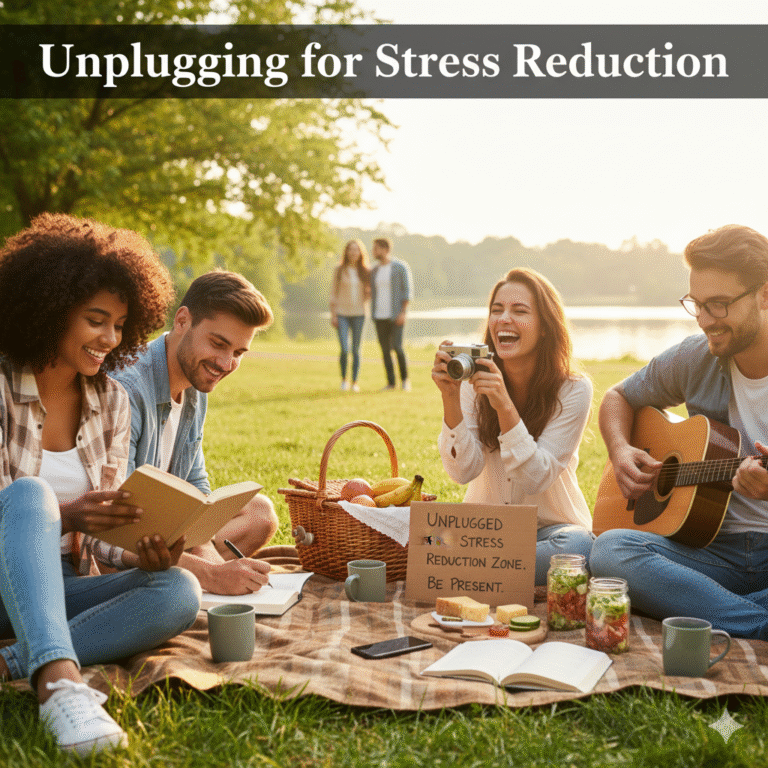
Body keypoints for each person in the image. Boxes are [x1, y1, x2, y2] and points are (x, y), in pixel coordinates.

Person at [0, 213, 201, 755]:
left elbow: (103, 545)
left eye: (119, 325)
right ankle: (61, 685)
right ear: (50, 308)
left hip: (56, 588)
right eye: (96, 321)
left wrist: (144, 551)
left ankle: (13, 661)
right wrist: (66, 516)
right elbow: (21, 520)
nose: (110, 340)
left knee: (179, 590)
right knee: (28, 495)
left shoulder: (110, 400)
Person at [590, 224, 768, 640]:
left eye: (719, 305)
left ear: (765, 293)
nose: (706, 320)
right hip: (709, 551)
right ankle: (757, 622)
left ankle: (716, 609)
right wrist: (620, 450)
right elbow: (618, 396)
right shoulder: (695, 357)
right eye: (697, 304)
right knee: (611, 550)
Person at [112, 270, 279, 597]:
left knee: (259, 514)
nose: (225, 363)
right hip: (123, 544)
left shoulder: (195, 386)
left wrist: (214, 562)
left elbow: (197, 488)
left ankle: (196, 576)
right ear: (182, 321)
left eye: (238, 353)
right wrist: (214, 574)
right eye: (218, 344)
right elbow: (116, 528)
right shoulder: (127, 389)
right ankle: (191, 581)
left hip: (168, 529)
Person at [432, 267, 594, 585]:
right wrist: (450, 399)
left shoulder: (574, 389)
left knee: (579, 548)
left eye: (520, 311)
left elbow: (536, 478)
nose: (504, 318)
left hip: (550, 532)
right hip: (487, 530)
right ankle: (500, 574)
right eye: (497, 310)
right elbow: (462, 472)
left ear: (545, 327)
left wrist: (504, 405)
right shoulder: (471, 380)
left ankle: (471, 573)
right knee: (428, 534)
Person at [371, 237, 413, 391]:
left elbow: (407, 292)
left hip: (396, 315)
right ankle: (391, 383)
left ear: (385, 249)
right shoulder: (374, 270)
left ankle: (405, 380)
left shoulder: (400, 267)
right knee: (385, 350)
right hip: (379, 316)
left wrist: (403, 312)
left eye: (376, 248)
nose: (373, 251)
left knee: (397, 347)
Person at [329, 239, 370, 392]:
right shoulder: (339, 270)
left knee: (356, 349)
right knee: (345, 349)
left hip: (360, 314)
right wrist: (333, 315)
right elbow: (333, 293)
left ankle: (355, 382)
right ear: (346, 252)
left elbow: (369, 293)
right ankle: (344, 380)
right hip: (341, 314)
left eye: (356, 250)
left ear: (361, 253)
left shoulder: (365, 271)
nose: (353, 252)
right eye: (351, 249)